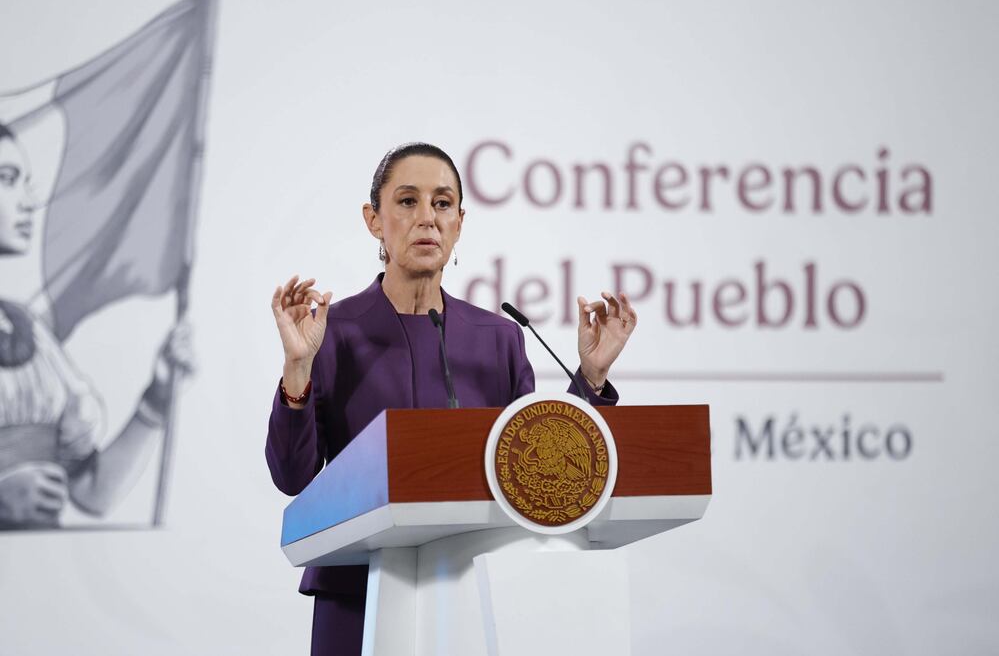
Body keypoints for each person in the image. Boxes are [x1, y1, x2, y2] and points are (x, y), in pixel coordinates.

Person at [266, 142, 638, 656]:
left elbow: (536, 471)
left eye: (442, 204)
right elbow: (292, 477)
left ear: (460, 222)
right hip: (358, 593)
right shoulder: (332, 332)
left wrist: (591, 377)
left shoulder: (497, 338)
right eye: (407, 201)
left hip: (472, 589)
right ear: (373, 220)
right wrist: (297, 369)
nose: (427, 219)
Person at [0, 121, 193, 528]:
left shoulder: (28, 330)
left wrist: (156, 397)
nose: (28, 200)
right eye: (7, 179)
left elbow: (93, 493)